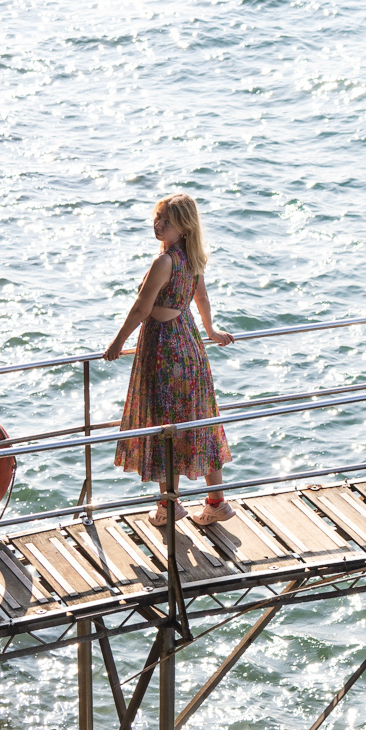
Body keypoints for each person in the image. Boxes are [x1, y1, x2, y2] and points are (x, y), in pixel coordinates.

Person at [104, 194, 235, 526]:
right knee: (200, 420)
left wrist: (118, 342)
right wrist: (210, 330)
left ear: (184, 226)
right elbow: (201, 298)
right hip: (189, 344)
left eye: (167, 220)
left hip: (164, 347)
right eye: (157, 216)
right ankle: (216, 503)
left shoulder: (164, 262)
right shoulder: (192, 259)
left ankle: (169, 506)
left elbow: (141, 309)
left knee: (164, 425)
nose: (158, 224)